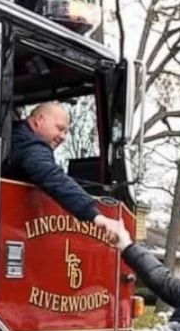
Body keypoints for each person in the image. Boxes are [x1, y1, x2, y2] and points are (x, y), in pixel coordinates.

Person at [10, 103, 123, 240]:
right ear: (39, 120)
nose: (63, 137)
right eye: (60, 128)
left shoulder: (15, 135)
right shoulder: (29, 145)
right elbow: (51, 176)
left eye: (66, 132)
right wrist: (96, 216)